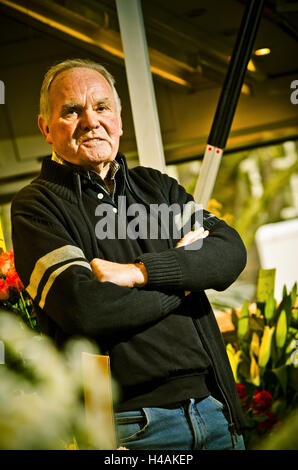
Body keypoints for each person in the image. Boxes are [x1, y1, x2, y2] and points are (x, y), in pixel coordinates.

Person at [11, 58, 247, 450]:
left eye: (102, 107)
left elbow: (230, 252)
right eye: (72, 111)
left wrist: (139, 273)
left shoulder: (156, 188)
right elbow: (88, 309)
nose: (91, 120)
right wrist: (188, 278)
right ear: (46, 129)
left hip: (214, 408)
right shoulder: (36, 207)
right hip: (132, 429)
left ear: (119, 120)